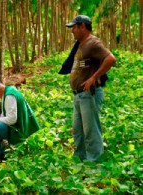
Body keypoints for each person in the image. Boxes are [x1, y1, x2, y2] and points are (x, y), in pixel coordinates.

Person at [61, 15, 116, 162]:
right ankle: (81, 158)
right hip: (79, 95)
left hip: (88, 94)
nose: (72, 30)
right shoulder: (81, 44)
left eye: (74, 27)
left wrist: (93, 78)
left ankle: (95, 161)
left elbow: (110, 59)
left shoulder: (93, 43)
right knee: (78, 130)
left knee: (91, 130)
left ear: (82, 26)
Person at [0, 77, 40, 163]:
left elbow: (12, 119)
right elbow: (7, 110)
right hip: (10, 124)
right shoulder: (6, 92)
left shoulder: (9, 96)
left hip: (16, 128)